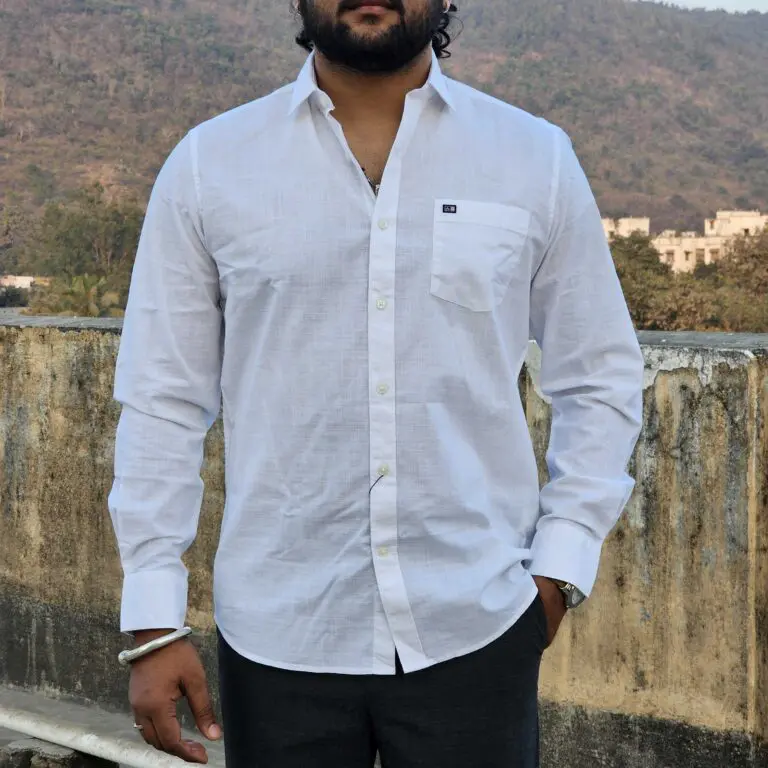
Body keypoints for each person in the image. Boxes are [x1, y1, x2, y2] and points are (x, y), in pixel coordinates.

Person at [108, 0, 645, 766]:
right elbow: (162, 400)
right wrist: (154, 621)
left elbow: (599, 375)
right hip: (277, 636)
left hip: (478, 627)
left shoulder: (533, 158)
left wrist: (559, 570)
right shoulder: (209, 165)